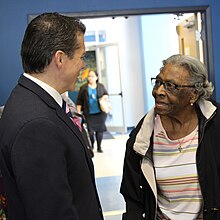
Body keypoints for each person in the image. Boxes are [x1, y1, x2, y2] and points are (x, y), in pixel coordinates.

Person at [0, 12, 104, 220]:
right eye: (81, 56)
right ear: (60, 58)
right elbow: (52, 212)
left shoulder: (33, 99)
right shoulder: (37, 125)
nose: (83, 65)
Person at [120, 54, 220, 220]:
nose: (159, 91)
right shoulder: (142, 137)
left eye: (171, 86)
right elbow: (133, 199)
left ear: (193, 94)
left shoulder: (215, 126)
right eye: (158, 82)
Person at [76, 70, 108, 153]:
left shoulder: (100, 86)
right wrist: (78, 112)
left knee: (100, 130)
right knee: (90, 132)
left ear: (96, 77)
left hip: (100, 113)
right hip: (89, 113)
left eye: (92, 76)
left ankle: (99, 147)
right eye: (89, 76)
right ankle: (92, 146)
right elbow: (79, 101)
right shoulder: (84, 88)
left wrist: (105, 97)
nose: (90, 78)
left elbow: (105, 94)